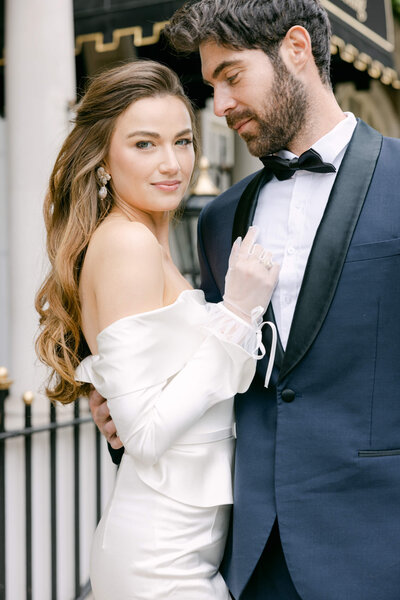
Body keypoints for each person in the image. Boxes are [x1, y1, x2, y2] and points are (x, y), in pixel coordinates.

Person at [92, 1, 400, 599]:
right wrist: (131, 411)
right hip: (248, 555)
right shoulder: (218, 217)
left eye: (231, 76)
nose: (221, 105)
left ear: (296, 50)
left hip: (377, 544)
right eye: (212, 86)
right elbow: (221, 367)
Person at [35, 60, 279, 599]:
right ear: (101, 158)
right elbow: (144, 433)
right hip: (160, 562)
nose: (172, 163)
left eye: (183, 141)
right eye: (145, 144)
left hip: (181, 548)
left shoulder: (145, 240)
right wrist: (237, 315)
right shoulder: (127, 245)